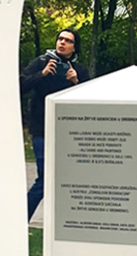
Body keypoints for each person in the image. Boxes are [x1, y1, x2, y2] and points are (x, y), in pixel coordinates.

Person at [20, 28, 90, 221]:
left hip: (70, 133)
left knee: (69, 181)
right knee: (44, 180)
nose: (62, 43)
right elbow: (19, 85)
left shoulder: (80, 70)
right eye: (60, 38)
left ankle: (67, 223)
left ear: (74, 47)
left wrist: (76, 83)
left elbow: (90, 102)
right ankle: (19, 221)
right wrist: (41, 74)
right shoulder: (41, 62)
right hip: (42, 130)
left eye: (68, 41)